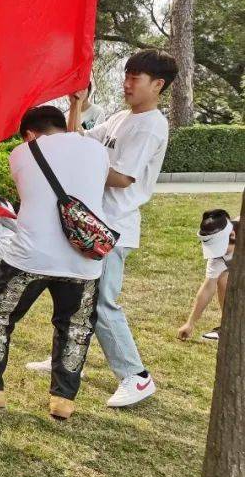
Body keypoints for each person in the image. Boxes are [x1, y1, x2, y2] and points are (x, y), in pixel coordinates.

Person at [30, 49, 178, 408]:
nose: (127, 83)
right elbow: (78, 138)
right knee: (72, 294)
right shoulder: (121, 118)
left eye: (135, 78)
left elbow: (124, 177)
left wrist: (81, 169)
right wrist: (76, 104)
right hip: (94, 222)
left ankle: (136, 377)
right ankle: (66, 358)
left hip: (112, 229)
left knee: (101, 304)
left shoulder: (151, 125)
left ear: (157, 85)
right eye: (126, 75)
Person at [0, 106, 109, 421]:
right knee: (75, 328)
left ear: (28, 134)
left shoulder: (23, 153)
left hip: (31, 256)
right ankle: (63, 401)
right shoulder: (97, 149)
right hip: (84, 260)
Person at [178, 209, 237, 342]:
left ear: (232, 235)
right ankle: (229, 326)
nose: (217, 253)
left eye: (220, 247)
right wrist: (190, 323)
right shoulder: (217, 258)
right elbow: (208, 288)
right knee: (223, 280)